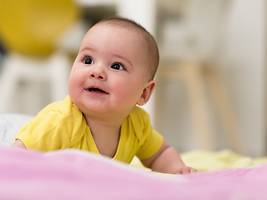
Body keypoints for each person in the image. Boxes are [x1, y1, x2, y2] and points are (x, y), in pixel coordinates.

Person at [11, 16, 197, 174]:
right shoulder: (59, 122)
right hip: (10, 137)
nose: (96, 71)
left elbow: (159, 153)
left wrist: (177, 170)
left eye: (116, 66)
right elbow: (14, 160)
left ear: (144, 92)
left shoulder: (137, 125)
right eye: (88, 60)